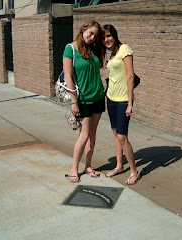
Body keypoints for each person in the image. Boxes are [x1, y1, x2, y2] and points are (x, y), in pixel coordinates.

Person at [64, 20, 105, 183]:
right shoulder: (70, 49)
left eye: (95, 35)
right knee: (84, 135)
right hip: (83, 99)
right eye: (90, 33)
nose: (92, 37)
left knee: (92, 135)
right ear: (83, 30)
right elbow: (68, 77)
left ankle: (88, 166)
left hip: (98, 96)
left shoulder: (93, 49)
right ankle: (74, 169)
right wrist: (74, 101)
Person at [102, 24, 139, 185]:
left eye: (109, 36)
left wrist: (130, 103)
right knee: (116, 134)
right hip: (111, 98)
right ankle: (119, 166)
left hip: (123, 100)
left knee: (123, 137)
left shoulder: (124, 49)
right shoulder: (112, 54)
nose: (106, 40)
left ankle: (134, 171)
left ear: (115, 35)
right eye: (103, 38)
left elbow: (130, 76)